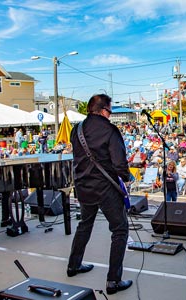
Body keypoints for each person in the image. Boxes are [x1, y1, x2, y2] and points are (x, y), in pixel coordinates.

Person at [67, 94, 132, 295]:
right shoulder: (110, 130)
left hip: (83, 186)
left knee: (85, 224)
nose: (110, 115)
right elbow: (119, 163)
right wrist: (128, 177)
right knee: (120, 230)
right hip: (105, 188)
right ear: (104, 110)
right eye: (110, 111)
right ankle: (113, 280)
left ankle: (73, 265)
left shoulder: (75, 129)